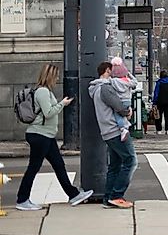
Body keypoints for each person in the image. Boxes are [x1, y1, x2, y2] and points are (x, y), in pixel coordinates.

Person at [13, 64, 94, 210]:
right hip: (40, 134)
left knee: (59, 166)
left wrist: (61, 104)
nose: (57, 79)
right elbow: (48, 112)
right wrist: (62, 103)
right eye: (56, 76)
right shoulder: (43, 92)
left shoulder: (44, 91)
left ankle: (73, 194)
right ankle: (22, 199)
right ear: (49, 76)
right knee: (34, 168)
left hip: (46, 135)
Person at [90, 61, 135, 209]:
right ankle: (117, 195)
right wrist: (127, 112)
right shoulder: (105, 88)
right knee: (130, 161)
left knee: (114, 165)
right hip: (115, 130)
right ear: (107, 71)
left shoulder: (95, 89)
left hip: (107, 131)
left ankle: (108, 197)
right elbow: (118, 106)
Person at [107, 56, 137, 141]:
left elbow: (107, 80)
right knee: (125, 115)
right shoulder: (127, 81)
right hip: (127, 101)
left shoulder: (113, 81)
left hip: (119, 101)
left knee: (118, 116)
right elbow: (135, 82)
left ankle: (123, 129)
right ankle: (126, 126)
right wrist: (129, 74)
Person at [152, 70, 168, 134]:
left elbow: (156, 92)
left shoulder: (159, 82)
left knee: (158, 116)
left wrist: (154, 102)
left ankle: (159, 130)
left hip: (160, 101)